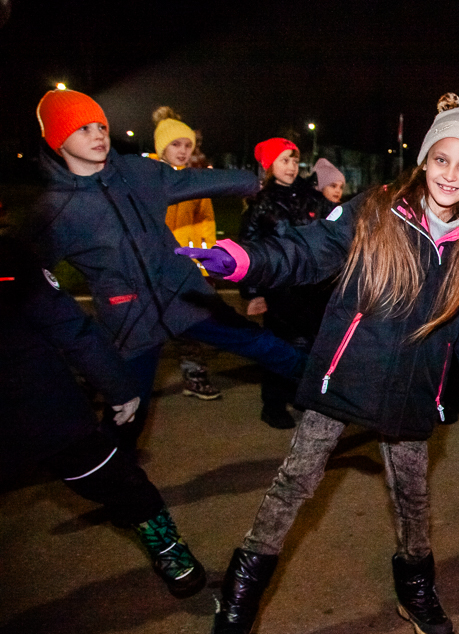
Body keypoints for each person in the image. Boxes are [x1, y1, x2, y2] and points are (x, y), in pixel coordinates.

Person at [179, 104, 459, 634]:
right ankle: (241, 594)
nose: (451, 174)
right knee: (295, 481)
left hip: (414, 386)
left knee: (412, 495)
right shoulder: (375, 209)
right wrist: (247, 261)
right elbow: (310, 250)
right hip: (346, 372)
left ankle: (415, 586)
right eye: (442, 159)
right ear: (425, 159)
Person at [24, 89, 305, 452]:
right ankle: (115, 474)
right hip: (131, 319)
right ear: (58, 140)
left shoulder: (138, 172)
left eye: (101, 126)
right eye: (83, 129)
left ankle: (331, 386)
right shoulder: (55, 211)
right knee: (127, 414)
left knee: (264, 344)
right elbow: (26, 280)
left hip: (184, 295)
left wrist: (255, 181)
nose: (98, 135)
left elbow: (191, 182)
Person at [0, 236, 205, 599]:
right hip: (38, 408)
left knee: (112, 477)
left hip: (37, 407)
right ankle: (169, 550)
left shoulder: (9, 260)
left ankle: (168, 547)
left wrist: (117, 386)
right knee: (117, 481)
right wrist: (119, 388)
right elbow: (71, 328)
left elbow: (70, 328)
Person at [239, 137, 334, 429]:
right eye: (284, 160)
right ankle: (274, 404)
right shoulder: (261, 203)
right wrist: (253, 293)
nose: (291, 166)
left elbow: (331, 233)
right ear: (269, 166)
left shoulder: (312, 197)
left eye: (294, 160)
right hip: (279, 289)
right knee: (280, 347)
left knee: (313, 345)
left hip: (313, 288)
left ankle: (303, 396)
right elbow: (249, 249)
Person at [152, 106, 222, 401]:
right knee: (139, 326)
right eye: (175, 145)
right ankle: (106, 379)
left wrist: (207, 265)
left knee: (189, 322)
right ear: (161, 147)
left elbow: (206, 224)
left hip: (186, 265)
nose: (182, 151)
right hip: (153, 265)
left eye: (187, 145)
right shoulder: (147, 177)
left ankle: (194, 376)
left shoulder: (194, 181)